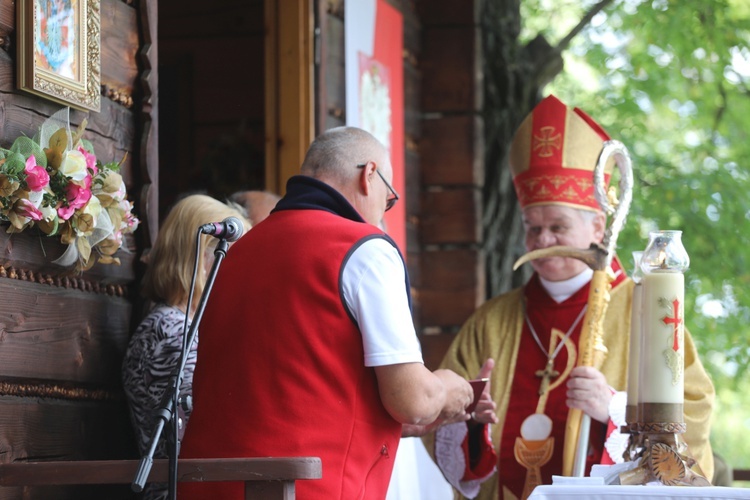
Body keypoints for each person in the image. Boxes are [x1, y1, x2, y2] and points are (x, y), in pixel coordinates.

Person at [423, 94, 715, 500]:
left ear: (598, 226)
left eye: (557, 227)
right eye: (533, 227)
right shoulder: (492, 320)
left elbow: (694, 409)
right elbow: (437, 414)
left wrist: (615, 410)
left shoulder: (649, 310)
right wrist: (469, 420)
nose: (543, 241)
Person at [178, 126, 475, 499]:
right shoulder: (366, 249)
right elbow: (412, 400)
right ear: (370, 176)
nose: (383, 215)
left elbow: (286, 391)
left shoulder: (236, 252)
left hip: (208, 489)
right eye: (389, 200)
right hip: (308, 488)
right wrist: (448, 387)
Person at [121, 194, 250, 500]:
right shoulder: (169, 329)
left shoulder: (180, 324)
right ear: (204, 258)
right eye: (234, 256)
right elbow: (191, 438)